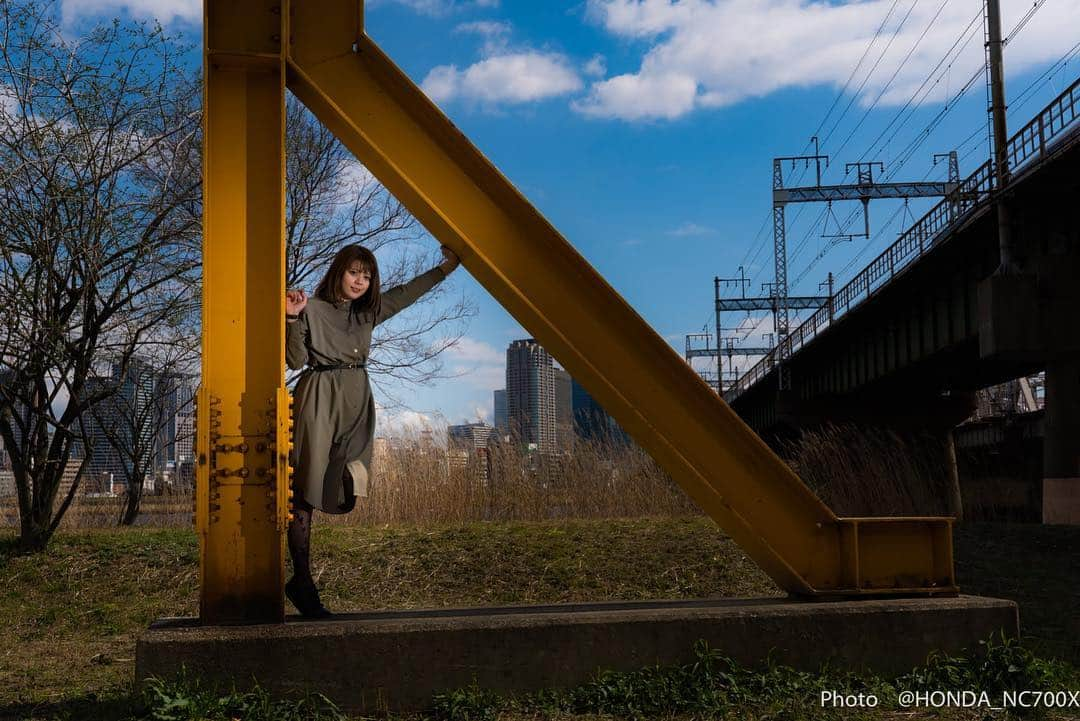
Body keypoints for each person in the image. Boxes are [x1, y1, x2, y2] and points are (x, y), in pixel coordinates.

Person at [284, 243, 461, 617]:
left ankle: (302, 581)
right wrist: (290, 318)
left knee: (348, 477)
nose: (360, 281)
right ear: (338, 272)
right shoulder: (311, 308)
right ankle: (301, 582)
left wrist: (446, 268)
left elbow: (408, 293)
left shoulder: (369, 313)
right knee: (305, 487)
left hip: (356, 400)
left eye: (367, 276)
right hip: (318, 398)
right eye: (354, 273)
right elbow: (294, 359)